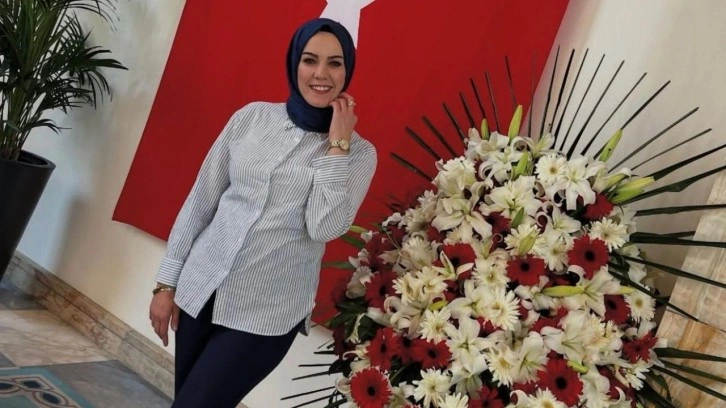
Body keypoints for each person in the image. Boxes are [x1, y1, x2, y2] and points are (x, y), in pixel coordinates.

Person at [148, 17, 377, 407]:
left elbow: (323, 227)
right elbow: (200, 202)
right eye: (310, 60)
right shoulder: (251, 118)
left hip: (265, 315)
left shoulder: (360, 154)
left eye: (335, 63)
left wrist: (337, 146)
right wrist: (165, 284)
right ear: (294, 63)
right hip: (200, 291)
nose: (321, 73)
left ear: (348, 70)